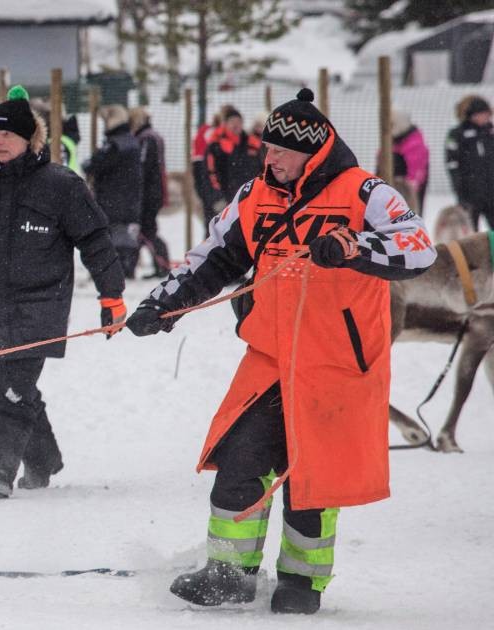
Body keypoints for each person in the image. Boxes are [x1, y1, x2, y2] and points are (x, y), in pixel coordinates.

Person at [125, 89, 436, 614]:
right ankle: (229, 574)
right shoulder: (256, 194)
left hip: (339, 363)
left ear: (310, 153)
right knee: (240, 460)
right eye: (266, 149)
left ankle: (302, 583)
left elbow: (418, 246)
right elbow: (214, 257)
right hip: (271, 358)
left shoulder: (367, 193)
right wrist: (165, 303)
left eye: (279, 152)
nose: (268, 159)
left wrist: (354, 247)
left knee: (313, 479)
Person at [0, 85, 126, 498]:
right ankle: (44, 458)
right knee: (13, 386)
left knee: (15, 388)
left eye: (10, 135)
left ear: (30, 139)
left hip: (39, 309)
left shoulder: (60, 185)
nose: (0, 141)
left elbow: (95, 240)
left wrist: (112, 295)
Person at [83, 104, 142, 278]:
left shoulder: (116, 144)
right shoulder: (129, 141)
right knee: (123, 235)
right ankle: (125, 268)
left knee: (114, 235)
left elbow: (94, 164)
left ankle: (117, 271)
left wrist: (90, 164)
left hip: (114, 198)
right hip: (127, 197)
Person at [130, 107, 170, 278]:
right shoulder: (151, 136)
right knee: (145, 230)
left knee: (147, 230)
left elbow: (143, 167)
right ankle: (139, 264)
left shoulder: (146, 138)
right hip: (154, 191)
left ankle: (162, 264)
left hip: (149, 193)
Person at [445, 95, 494, 229]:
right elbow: (452, 164)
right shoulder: (457, 134)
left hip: (490, 193)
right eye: (483, 114)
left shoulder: (490, 132)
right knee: (470, 233)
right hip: (469, 194)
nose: (486, 117)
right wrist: (460, 190)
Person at [206, 106, 264, 208]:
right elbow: (210, 173)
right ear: (225, 124)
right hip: (224, 200)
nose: (236, 125)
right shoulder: (216, 145)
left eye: (239, 121)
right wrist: (217, 197)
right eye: (232, 121)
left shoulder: (252, 144)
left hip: (250, 198)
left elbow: (261, 170)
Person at [192, 112, 221, 234]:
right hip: (212, 189)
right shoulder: (216, 138)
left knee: (210, 224)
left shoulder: (204, 133)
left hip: (205, 185)